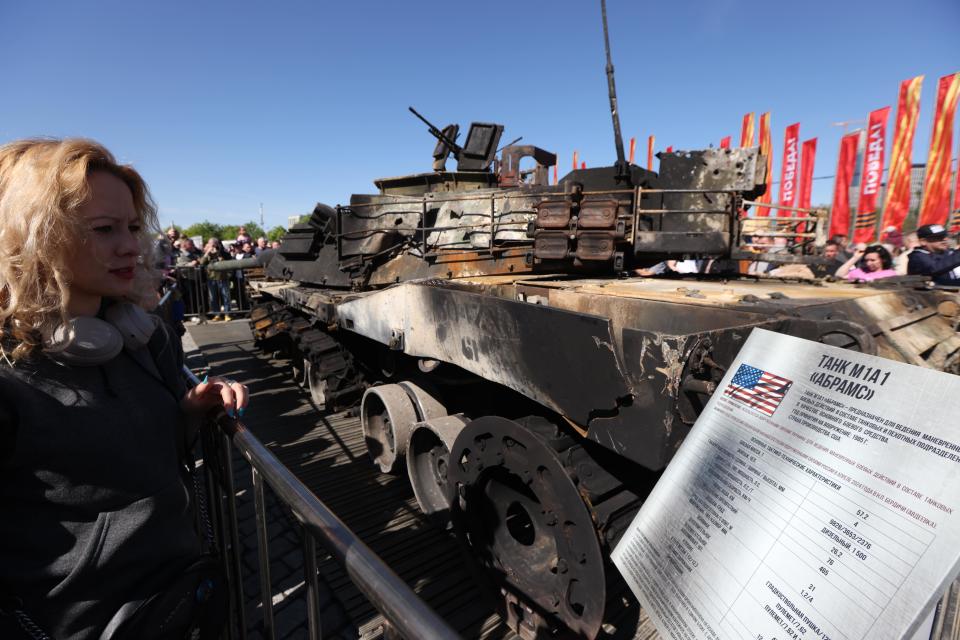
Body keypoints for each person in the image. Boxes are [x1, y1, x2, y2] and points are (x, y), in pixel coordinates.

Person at [0, 138, 248, 639]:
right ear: (35, 238)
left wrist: (189, 412)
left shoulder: (139, 340)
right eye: (104, 229)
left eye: (133, 226)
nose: (130, 245)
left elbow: (125, 463)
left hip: (181, 603)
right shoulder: (10, 378)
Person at [200, 238, 232, 321]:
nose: (213, 246)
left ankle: (227, 314)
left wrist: (220, 255)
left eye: (215, 244)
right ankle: (217, 314)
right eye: (211, 244)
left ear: (218, 244)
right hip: (211, 278)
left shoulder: (223, 252)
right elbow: (201, 262)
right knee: (213, 298)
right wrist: (207, 253)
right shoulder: (207, 254)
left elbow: (230, 262)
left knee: (226, 297)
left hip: (223, 278)